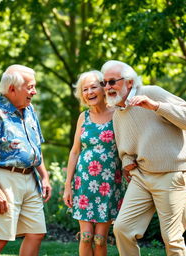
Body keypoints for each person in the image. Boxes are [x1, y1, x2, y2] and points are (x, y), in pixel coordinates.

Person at [100, 60, 186, 256]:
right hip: (142, 177)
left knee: (172, 238)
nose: (108, 88)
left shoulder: (152, 93)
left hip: (171, 174)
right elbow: (126, 149)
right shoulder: (117, 113)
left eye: (112, 82)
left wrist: (156, 106)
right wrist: (128, 163)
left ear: (129, 82)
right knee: (122, 229)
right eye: (104, 83)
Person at [0, 64, 52, 256]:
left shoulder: (29, 109)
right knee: (0, 238)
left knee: (36, 232)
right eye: (30, 86)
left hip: (30, 178)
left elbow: (35, 148)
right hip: (2, 178)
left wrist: (45, 176)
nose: (34, 91)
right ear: (12, 88)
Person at [63, 70, 124, 256]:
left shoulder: (118, 115)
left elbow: (127, 148)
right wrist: (68, 185)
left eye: (93, 87)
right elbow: (75, 151)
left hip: (108, 184)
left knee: (100, 240)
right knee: (86, 237)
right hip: (84, 184)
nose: (89, 92)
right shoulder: (83, 117)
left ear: (104, 88)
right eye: (85, 89)